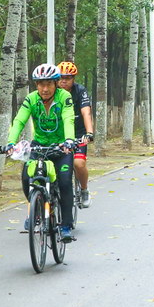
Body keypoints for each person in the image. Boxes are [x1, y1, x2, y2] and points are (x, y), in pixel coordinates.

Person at [5, 63, 80, 243]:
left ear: (55, 84)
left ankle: (66, 225)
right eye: (40, 84)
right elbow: (19, 121)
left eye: (48, 84)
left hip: (62, 146)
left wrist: (69, 140)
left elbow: (68, 119)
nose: (44, 89)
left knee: (64, 182)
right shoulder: (31, 99)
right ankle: (37, 210)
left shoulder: (65, 97)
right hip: (38, 146)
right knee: (26, 177)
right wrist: (10, 142)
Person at [56, 61, 95, 207]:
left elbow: (86, 112)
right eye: (61, 78)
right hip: (60, 135)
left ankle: (84, 189)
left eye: (68, 78)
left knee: (78, 163)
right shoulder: (53, 92)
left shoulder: (80, 91)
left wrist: (89, 132)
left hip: (79, 133)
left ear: (74, 79)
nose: (64, 81)